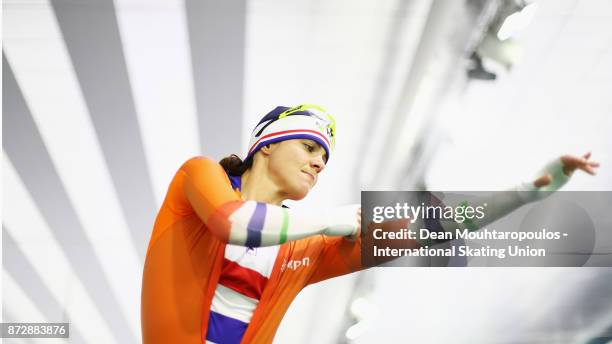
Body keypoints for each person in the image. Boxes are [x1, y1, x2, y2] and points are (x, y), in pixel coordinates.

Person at [140, 104, 599, 344]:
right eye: (308, 146)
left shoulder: (308, 246)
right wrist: (331, 220)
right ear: (265, 146)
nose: (319, 162)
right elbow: (233, 222)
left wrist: (526, 191)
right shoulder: (200, 176)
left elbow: (434, 226)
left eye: (325, 157)